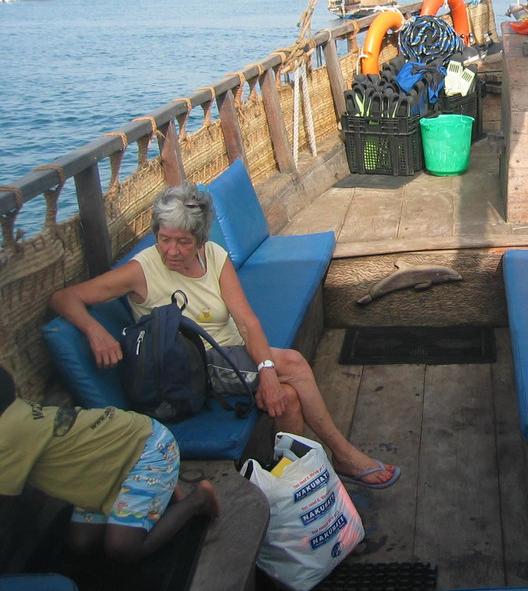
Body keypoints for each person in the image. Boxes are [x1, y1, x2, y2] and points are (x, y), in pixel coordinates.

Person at [49, 182, 400, 490]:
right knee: (291, 364)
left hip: (228, 355)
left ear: (200, 239)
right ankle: (343, 455)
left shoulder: (214, 256)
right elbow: (65, 298)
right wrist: (94, 330)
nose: (171, 250)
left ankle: (290, 484)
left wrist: (264, 369)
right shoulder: (141, 270)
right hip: (189, 368)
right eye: (164, 239)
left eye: (182, 242)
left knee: (290, 397)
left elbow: (246, 321)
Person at [0, 363, 220, 562]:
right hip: (108, 468)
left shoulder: (7, 436)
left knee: (122, 547)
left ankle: (198, 499)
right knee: (81, 543)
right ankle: (159, 495)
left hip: (147, 449)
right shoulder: (14, 411)